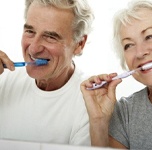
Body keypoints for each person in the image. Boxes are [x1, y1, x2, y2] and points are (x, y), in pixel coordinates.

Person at [80, 0, 152, 149]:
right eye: (129, 45)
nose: (139, 53)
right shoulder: (124, 113)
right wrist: (99, 121)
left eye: (150, 36)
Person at [0, 0, 94, 146]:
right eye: (30, 31)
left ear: (79, 44)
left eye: (50, 37)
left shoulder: (91, 103)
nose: (33, 49)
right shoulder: (3, 79)